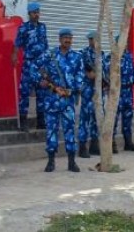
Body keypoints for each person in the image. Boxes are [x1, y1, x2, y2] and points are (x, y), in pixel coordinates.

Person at [38, 28, 83, 173]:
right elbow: (34, 69)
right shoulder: (49, 55)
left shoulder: (77, 57)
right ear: (59, 39)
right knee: (51, 130)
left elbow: (80, 75)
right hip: (51, 100)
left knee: (70, 130)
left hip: (68, 101)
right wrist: (42, 82)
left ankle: (72, 162)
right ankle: (51, 161)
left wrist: (73, 89)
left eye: (70, 38)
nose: (67, 40)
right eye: (65, 38)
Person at [12, 2, 49, 131]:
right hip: (29, 64)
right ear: (29, 14)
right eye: (34, 12)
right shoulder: (23, 28)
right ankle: (23, 122)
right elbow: (17, 43)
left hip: (41, 65)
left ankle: (41, 121)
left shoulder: (43, 27)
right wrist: (14, 55)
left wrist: (47, 62)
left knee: (42, 92)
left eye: (38, 12)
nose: (37, 14)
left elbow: (46, 45)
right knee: (25, 92)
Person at [114, 34, 134, 152]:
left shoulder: (129, 57)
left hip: (128, 92)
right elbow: (106, 75)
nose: (124, 44)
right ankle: (112, 143)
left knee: (128, 118)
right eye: (121, 42)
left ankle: (128, 142)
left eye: (125, 42)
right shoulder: (112, 57)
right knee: (114, 118)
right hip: (116, 92)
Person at [78, 31, 103, 158]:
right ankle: (82, 146)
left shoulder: (102, 54)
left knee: (97, 117)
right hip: (88, 89)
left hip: (99, 90)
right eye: (92, 39)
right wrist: (88, 74)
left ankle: (94, 145)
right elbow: (81, 69)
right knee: (85, 117)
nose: (93, 41)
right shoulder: (84, 53)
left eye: (95, 39)